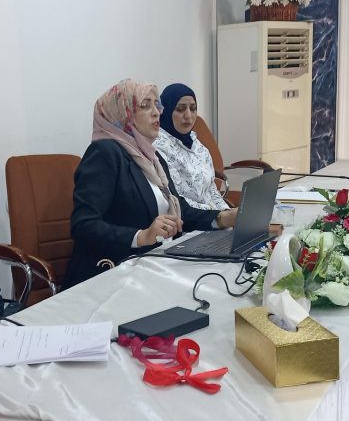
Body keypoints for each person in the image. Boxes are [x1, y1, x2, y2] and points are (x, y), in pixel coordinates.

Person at [65, 79, 237, 288]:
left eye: (157, 105)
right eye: (145, 106)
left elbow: (180, 211)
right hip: (110, 273)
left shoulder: (151, 157)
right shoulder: (105, 153)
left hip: (153, 264)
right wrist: (140, 236)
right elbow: (83, 225)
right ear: (123, 114)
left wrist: (222, 218)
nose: (156, 113)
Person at [154, 83, 230, 211]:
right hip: (188, 220)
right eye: (180, 109)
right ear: (166, 111)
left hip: (212, 217)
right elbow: (176, 200)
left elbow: (211, 190)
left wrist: (228, 212)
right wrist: (218, 215)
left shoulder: (196, 144)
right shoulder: (159, 147)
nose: (188, 116)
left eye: (193, 108)